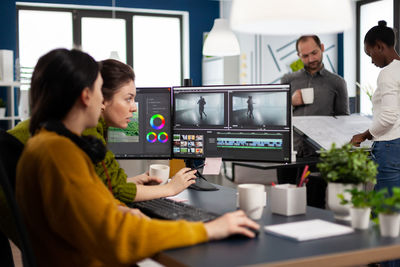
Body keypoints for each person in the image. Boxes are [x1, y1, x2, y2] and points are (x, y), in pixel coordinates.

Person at [16, 48, 259, 266]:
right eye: (100, 90)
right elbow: (119, 238)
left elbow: (87, 208)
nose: (103, 101)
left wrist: (117, 210)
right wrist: (208, 230)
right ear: (86, 96)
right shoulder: (60, 154)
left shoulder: (45, 144)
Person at [8, 59, 196, 204]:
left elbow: (101, 183)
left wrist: (129, 182)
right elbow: (115, 190)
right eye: (128, 99)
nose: (134, 108)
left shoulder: (80, 121)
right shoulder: (86, 127)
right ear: (102, 99)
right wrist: (171, 188)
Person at [279, 35, 350, 208]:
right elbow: (275, 116)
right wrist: (289, 101)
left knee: (314, 205)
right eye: (305, 56)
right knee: (284, 204)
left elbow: (343, 120)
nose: (311, 59)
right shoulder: (288, 80)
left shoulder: (337, 83)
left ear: (322, 48)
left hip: (318, 155)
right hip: (289, 153)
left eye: (314, 53)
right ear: (298, 55)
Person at [351, 20, 400, 195]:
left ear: (379, 46)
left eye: (370, 53)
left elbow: (388, 117)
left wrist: (363, 136)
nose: (371, 60)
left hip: (389, 146)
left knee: (386, 209)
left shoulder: (387, 73)